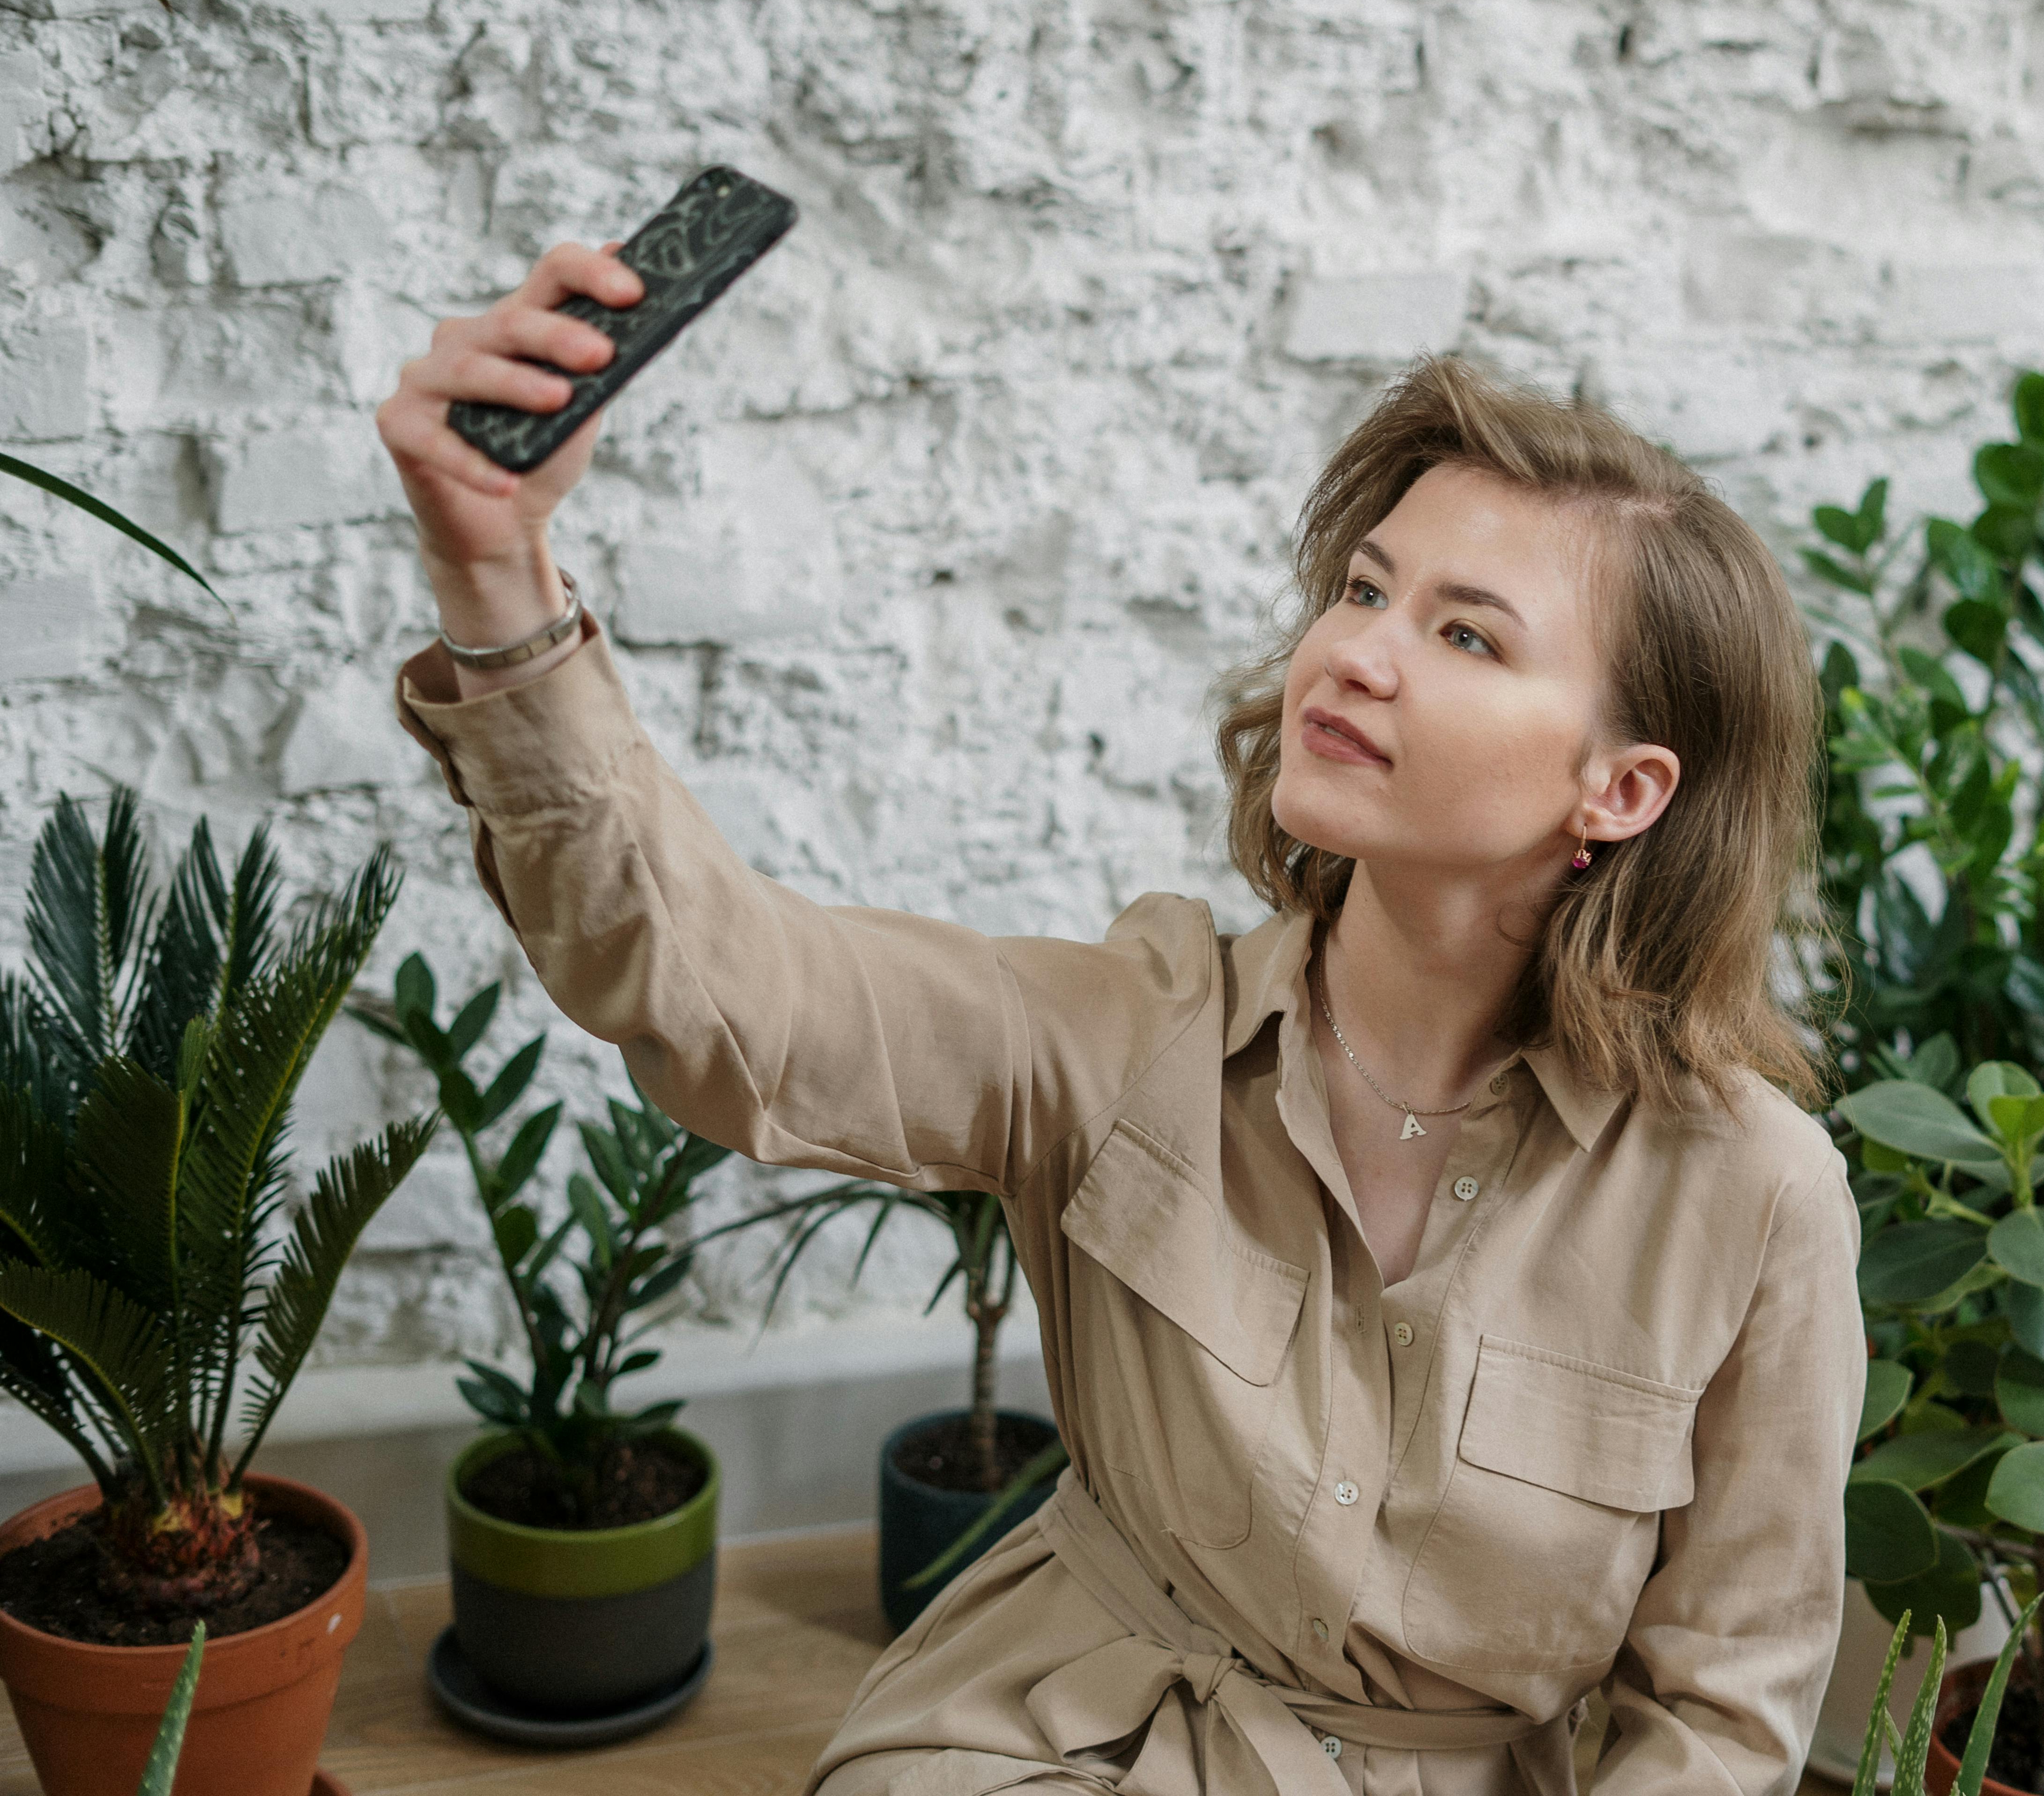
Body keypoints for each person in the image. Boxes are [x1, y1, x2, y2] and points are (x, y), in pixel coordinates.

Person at [375, 242, 1865, 1796]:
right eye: (1365, 588)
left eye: (1466, 634)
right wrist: (499, 581)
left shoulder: (1754, 1197)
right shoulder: (1125, 1033)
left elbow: (1721, 1712)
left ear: (1618, 792)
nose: (1353, 652)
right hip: (1058, 1748)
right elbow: (734, 999)